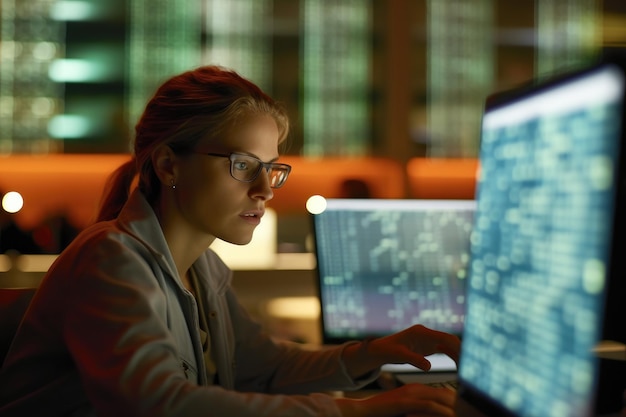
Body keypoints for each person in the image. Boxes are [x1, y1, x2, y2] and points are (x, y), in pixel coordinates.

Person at [0, 65, 460, 417]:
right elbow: (159, 404)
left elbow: (262, 367)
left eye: (272, 168)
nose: (264, 189)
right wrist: (354, 410)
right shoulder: (110, 259)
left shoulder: (204, 269)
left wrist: (373, 351)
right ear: (168, 165)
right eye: (242, 164)